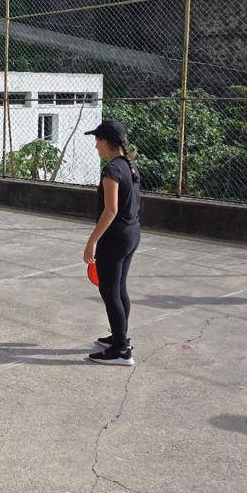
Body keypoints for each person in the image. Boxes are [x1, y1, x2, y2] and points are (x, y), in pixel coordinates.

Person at [82, 120, 141, 367]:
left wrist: (92, 241)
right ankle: (120, 337)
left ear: (106, 141)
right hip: (131, 234)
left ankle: (121, 351)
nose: (96, 146)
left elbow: (111, 210)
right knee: (119, 288)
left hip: (115, 239)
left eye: (97, 140)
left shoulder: (112, 171)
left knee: (109, 291)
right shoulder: (129, 165)